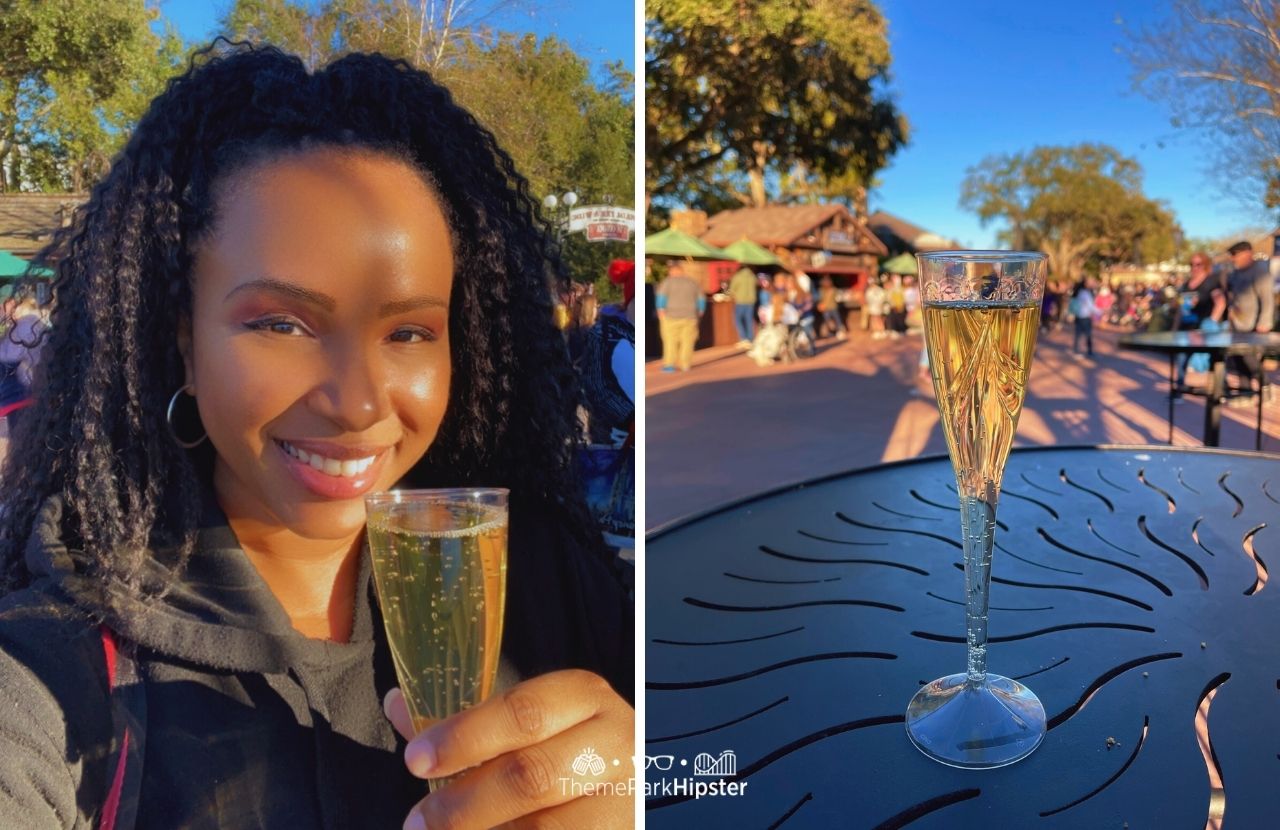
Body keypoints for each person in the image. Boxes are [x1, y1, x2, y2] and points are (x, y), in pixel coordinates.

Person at [0, 45, 633, 830]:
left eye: (408, 332)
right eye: (280, 323)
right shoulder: (50, 674)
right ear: (183, 345)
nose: (358, 402)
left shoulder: (552, 585)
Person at [1224, 240, 1275, 391]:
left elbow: (1267, 299)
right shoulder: (1236, 273)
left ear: (1247, 253)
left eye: (1235, 254)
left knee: (1249, 358)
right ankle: (1245, 391)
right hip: (1237, 323)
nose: (1233, 258)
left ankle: (1265, 386)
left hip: (1253, 325)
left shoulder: (1260, 273)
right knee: (1237, 357)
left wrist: (1264, 322)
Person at [656, 261, 704, 372]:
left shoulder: (667, 282)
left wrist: (660, 310)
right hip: (690, 316)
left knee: (670, 341)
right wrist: (700, 310)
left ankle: (669, 364)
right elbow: (701, 299)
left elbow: (661, 298)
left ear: (672, 271)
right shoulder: (692, 282)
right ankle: (685, 364)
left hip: (670, 316)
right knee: (688, 341)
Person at [728, 264, 758, 346]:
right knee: (749, 320)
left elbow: (732, 289)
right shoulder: (752, 276)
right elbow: (756, 285)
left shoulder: (737, 276)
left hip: (740, 301)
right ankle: (750, 339)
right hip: (751, 301)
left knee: (738, 320)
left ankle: (743, 338)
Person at [1069, 277, 1098, 356]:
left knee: (1078, 334)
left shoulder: (1079, 292)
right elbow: (1091, 306)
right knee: (1087, 334)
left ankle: (1077, 350)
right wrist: (1100, 312)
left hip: (1079, 316)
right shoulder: (1085, 293)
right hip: (1085, 317)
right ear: (1085, 284)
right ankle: (1089, 351)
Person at [817, 276, 847, 340]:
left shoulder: (834, 289)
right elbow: (820, 299)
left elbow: (838, 297)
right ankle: (830, 333)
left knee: (838, 320)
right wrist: (821, 305)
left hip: (833, 307)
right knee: (827, 321)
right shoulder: (821, 290)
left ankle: (840, 332)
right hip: (826, 308)